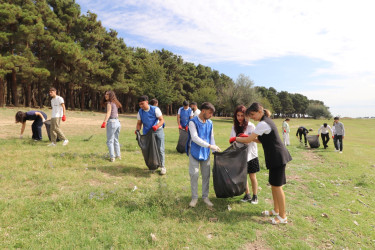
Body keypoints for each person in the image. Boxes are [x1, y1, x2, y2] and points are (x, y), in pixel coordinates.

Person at [233, 102, 292, 224]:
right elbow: (260, 140)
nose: (252, 117)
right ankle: (276, 210)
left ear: (260, 112)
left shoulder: (263, 123)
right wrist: (247, 136)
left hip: (277, 157)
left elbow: (249, 140)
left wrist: (236, 138)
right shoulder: (264, 122)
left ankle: (283, 216)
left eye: (253, 114)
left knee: (277, 186)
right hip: (274, 157)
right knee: (273, 185)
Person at [186, 102, 221, 208]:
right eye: (210, 113)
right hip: (195, 152)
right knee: (194, 174)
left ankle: (205, 197)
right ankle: (194, 198)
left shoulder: (210, 123)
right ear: (203, 111)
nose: (211, 115)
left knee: (206, 175)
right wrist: (210, 146)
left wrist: (215, 150)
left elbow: (212, 137)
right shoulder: (192, 122)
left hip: (205, 153)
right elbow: (195, 138)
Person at [230, 105, 259, 204]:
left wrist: (245, 138)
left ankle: (255, 196)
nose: (240, 118)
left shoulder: (251, 126)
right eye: (238, 115)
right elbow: (232, 140)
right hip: (240, 155)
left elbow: (251, 140)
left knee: (252, 176)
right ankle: (247, 194)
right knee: (243, 176)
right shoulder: (234, 127)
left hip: (251, 155)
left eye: (242, 115)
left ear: (246, 115)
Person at [136, 95, 166, 175]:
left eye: (142, 104)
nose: (141, 106)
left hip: (158, 131)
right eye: (140, 104)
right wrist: (137, 130)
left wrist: (157, 126)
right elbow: (139, 123)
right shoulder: (140, 112)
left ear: (147, 102)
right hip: (147, 133)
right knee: (150, 150)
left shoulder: (155, 109)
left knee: (160, 148)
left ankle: (162, 166)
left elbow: (162, 120)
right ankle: (153, 166)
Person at [101, 91, 122, 162]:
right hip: (118, 122)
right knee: (116, 140)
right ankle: (118, 155)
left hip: (112, 122)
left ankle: (112, 157)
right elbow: (117, 114)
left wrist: (104, 122)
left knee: (109, 141)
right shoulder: (115, 103)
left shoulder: (109, 103)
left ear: (111, 95)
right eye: (105, 94)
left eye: (107, 94)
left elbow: (108, 113)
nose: (105, 95)